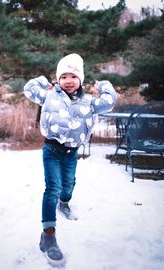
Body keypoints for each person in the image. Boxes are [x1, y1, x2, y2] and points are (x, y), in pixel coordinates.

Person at [23, 53, 117, 266]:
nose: (68, 80)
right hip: (51, 150)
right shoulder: (49, 96)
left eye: (73, 76)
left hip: (72, 152)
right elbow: (28, 88)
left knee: (69, 185)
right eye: (63, 76)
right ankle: (48, 235)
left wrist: (103, 84)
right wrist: (43, 82)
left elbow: (109, 103)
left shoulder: (89, 102)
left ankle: (64, 204)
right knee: (52, 188)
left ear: (80, 79)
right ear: (58, 79)